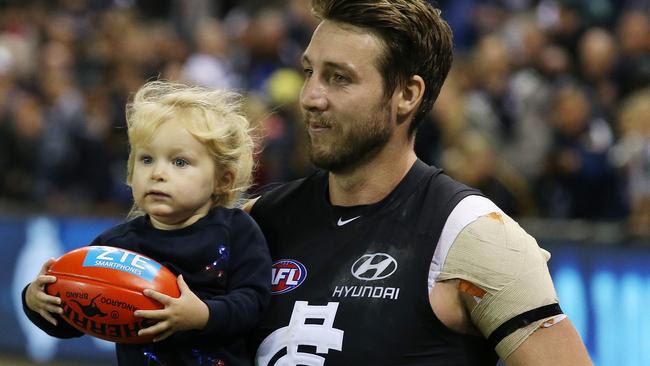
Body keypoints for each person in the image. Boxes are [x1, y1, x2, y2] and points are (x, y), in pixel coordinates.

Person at [244, 0, 593, 365]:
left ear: (407, 95)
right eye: (308, 72)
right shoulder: (259, 221)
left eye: (339, 77)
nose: (310, 97)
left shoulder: (472, 235)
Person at [22, 80, 271, 366]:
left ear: (222, 180)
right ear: (130, 173)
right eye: (147, 159)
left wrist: (203, 315)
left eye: (179, 162)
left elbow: (255, 302)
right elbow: (75, 322)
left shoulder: (237, 230)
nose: (158, 173)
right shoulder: (113, 248)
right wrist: (36, 301)